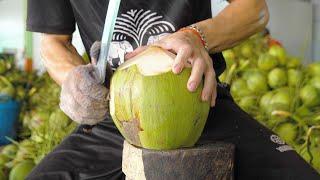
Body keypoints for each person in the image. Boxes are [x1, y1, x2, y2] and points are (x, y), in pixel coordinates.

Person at [26, 0, 320, 179]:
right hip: (115, 115)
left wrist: (195, 37)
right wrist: (73, 80)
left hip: (203, 103)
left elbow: (254, 9)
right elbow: (54, 41)